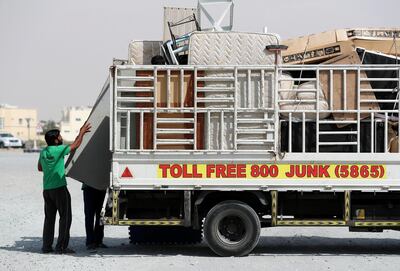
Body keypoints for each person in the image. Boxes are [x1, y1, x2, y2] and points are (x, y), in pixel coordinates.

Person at [38, 122, 91, 254]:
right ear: (56, 140)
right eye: (60, 136)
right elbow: (76, 145)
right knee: (65, 217)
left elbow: (39, 168)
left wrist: (49, 167)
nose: (61, 138)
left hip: (47, 189)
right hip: (59, 188)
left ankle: (46, 246)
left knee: (49, 218)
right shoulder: (58, 150)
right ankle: (61, 247)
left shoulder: (43, 152)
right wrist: (82, 132)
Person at [82, 184, 107, 250]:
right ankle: (90, 242)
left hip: (101, 188)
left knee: (101, 215)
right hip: (89, 187)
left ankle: (98, 241)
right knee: (89, 215)